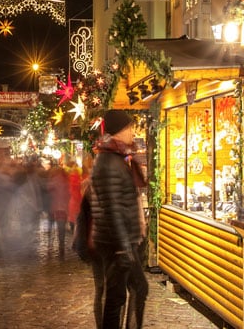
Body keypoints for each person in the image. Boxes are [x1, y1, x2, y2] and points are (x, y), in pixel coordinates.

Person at [90, 109, 148, 329]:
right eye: (130, 127)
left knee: (127, 293)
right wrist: (124, 247)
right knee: (122, 295)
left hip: (120, 240)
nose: (133, 132)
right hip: (116, 242)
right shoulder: (109, 161)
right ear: (120, 131)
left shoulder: (116, 157)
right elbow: (112, 208)